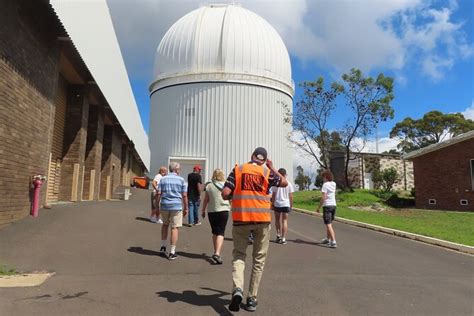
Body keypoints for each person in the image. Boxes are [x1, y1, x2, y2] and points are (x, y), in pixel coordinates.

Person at [222, 147, 288, 312]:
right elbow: (284, 183)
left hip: (241, 219)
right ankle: (251, 298)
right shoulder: (267, 172)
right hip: (262, 221)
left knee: (239, 255)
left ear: (251, 156)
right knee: (258, 259)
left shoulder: (238, 169)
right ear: (264, 160)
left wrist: (234, 195)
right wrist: (272, 167)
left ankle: (238, 289)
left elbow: (225, 193)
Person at [155, 162, 188, 260]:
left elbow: (158, 194)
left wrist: (157, 207)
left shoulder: (163, 179)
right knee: (174, 228)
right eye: (179, 169)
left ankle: (163, 246)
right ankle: (172, 252)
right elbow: (185, 195)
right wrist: (186, 207)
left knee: (165, 225)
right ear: (176, 169)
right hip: (176, 206)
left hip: (164, 205)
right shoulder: (182, 180)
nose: (180, 170)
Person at [201, 168, 230, 265]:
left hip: (212, 211)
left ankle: (215, 251)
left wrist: (203, 210)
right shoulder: (225, 185)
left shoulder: (209, 185)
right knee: (221, 232)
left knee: (214, 232)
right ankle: (217, 253)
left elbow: (206, 199)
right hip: (223, 210)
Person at [270, 168, 294, 245]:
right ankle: (283, 238)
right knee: (284, 221)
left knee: (277, 220)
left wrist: (272, 204)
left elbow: (273, 195)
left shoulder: (276, 183)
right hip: (286, 204)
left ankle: (278, 235)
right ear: (285, 174)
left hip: (277, 203)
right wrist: (291, 206)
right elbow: (291, 196)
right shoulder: (289, 184)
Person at [316, 170, 337, 248]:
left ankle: (333, 241)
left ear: (326, 177)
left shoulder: (325, 185)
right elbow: (334, 194)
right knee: (330, 223)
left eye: (323, 177)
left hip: (327, 206)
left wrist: (319, 207)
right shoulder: (334, 184)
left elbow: (323, 197)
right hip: (333, 205)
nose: (323, 179)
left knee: (328, 225)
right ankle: (328, 239)